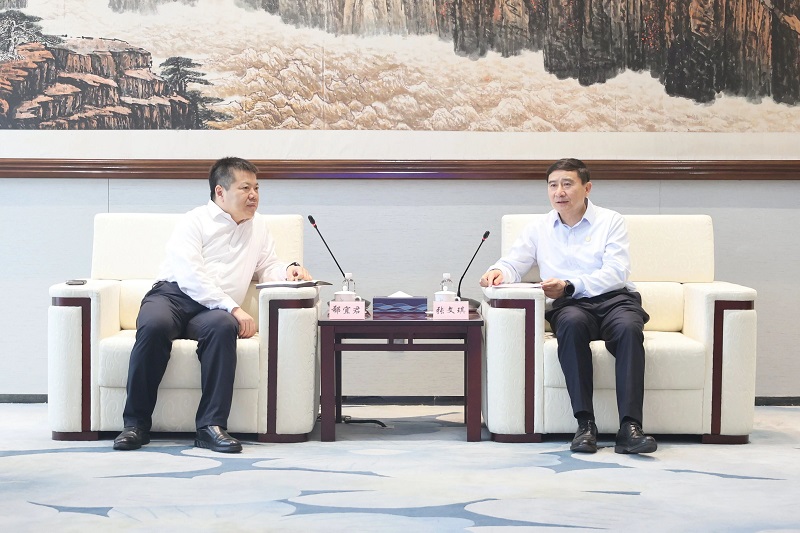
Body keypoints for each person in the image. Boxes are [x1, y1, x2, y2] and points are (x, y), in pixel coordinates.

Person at [113, 157, 312, 453]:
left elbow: (266, 266)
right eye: (245, 188)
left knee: (222, 328)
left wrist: (288, 270)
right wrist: (233, 307)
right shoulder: (194, 221)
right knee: (154, 326)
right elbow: (190, 275)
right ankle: (135, 425)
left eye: (257, 188)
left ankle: (210, 427)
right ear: (220, 191)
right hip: (172, 296)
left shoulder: (258, 226)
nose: (254, 195)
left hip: (213, 311)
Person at [480, 158, 657, 455]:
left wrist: (570, 284)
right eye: (553, 185)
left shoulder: (610, 221)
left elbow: (616, 271)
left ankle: (630, 428)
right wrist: (498, 271)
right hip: (570, 305)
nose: (559, 192)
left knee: (629, 329)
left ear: (587, 188)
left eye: (567, 184)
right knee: (571, 325)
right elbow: (514, 263)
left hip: (614, 299)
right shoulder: (539, 228)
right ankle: (585, 425)